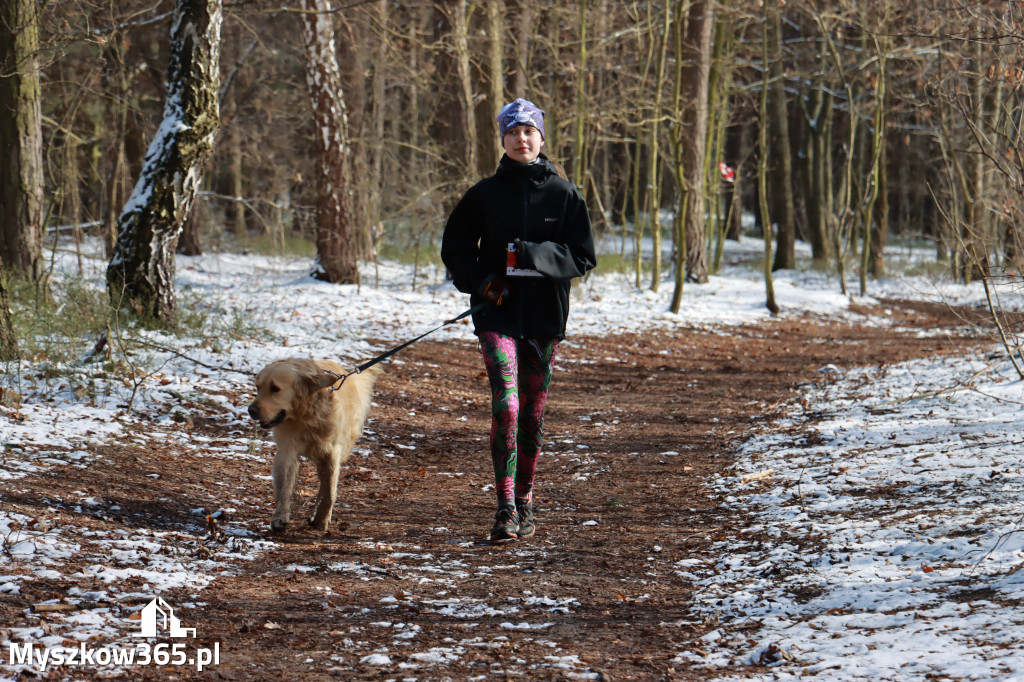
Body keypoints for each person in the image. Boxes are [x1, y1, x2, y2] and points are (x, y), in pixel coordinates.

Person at [441, 98, 596, 543]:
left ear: (541, 138)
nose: (521, 139)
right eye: (513, 132)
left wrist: (533, 254)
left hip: (545, 320)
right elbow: (455, 250)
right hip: (498, 316)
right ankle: (505, 506)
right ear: (503, 140)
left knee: (532, 415)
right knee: (507, 407)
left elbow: (582, 256)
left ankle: (526, 500)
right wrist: (483, 283)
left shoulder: (565, 195)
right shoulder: (483, 194)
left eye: (529, 131)